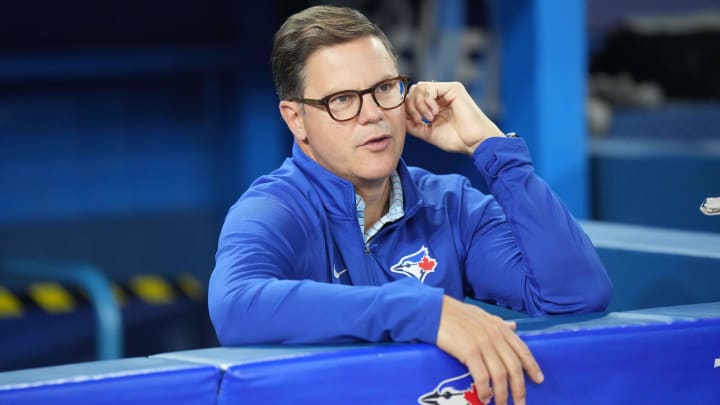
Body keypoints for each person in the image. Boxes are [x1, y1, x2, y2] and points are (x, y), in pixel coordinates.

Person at [209, 5, 612, 405]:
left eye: (384, 88)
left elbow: (576, 296)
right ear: (296, 119)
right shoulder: (274, 209)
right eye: (343, 99)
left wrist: (490, 147)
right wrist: (423, 311)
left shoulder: (451, 205)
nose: (373, 115)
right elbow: (236, 307)